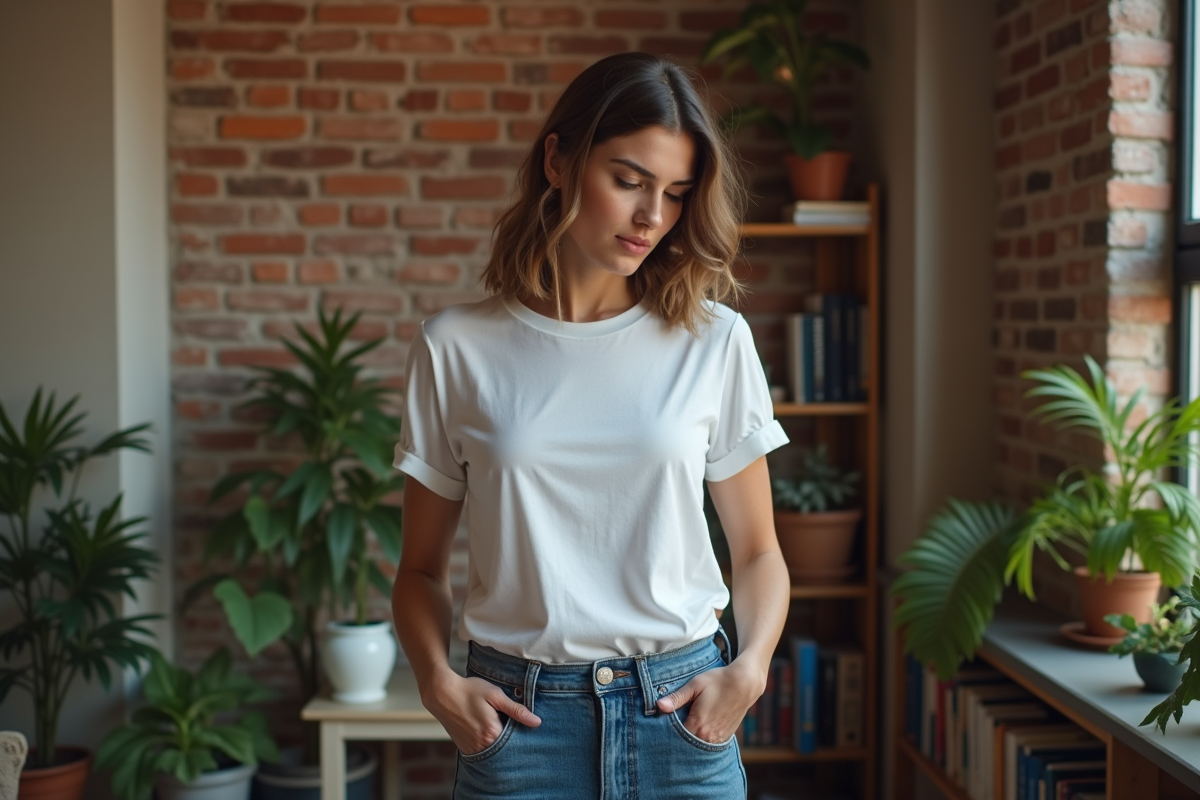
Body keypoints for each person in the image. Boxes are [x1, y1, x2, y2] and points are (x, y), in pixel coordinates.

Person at [391, 51, 792, 800]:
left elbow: (759, 550)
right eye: (629, 180)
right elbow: (418, 570)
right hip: (520, 728)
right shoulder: (455, 348)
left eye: (675, 193)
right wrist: (437, 684)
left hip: (681, 717)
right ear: (558, 160)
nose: (652, 216)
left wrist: (751, 668)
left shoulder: (714, 341)